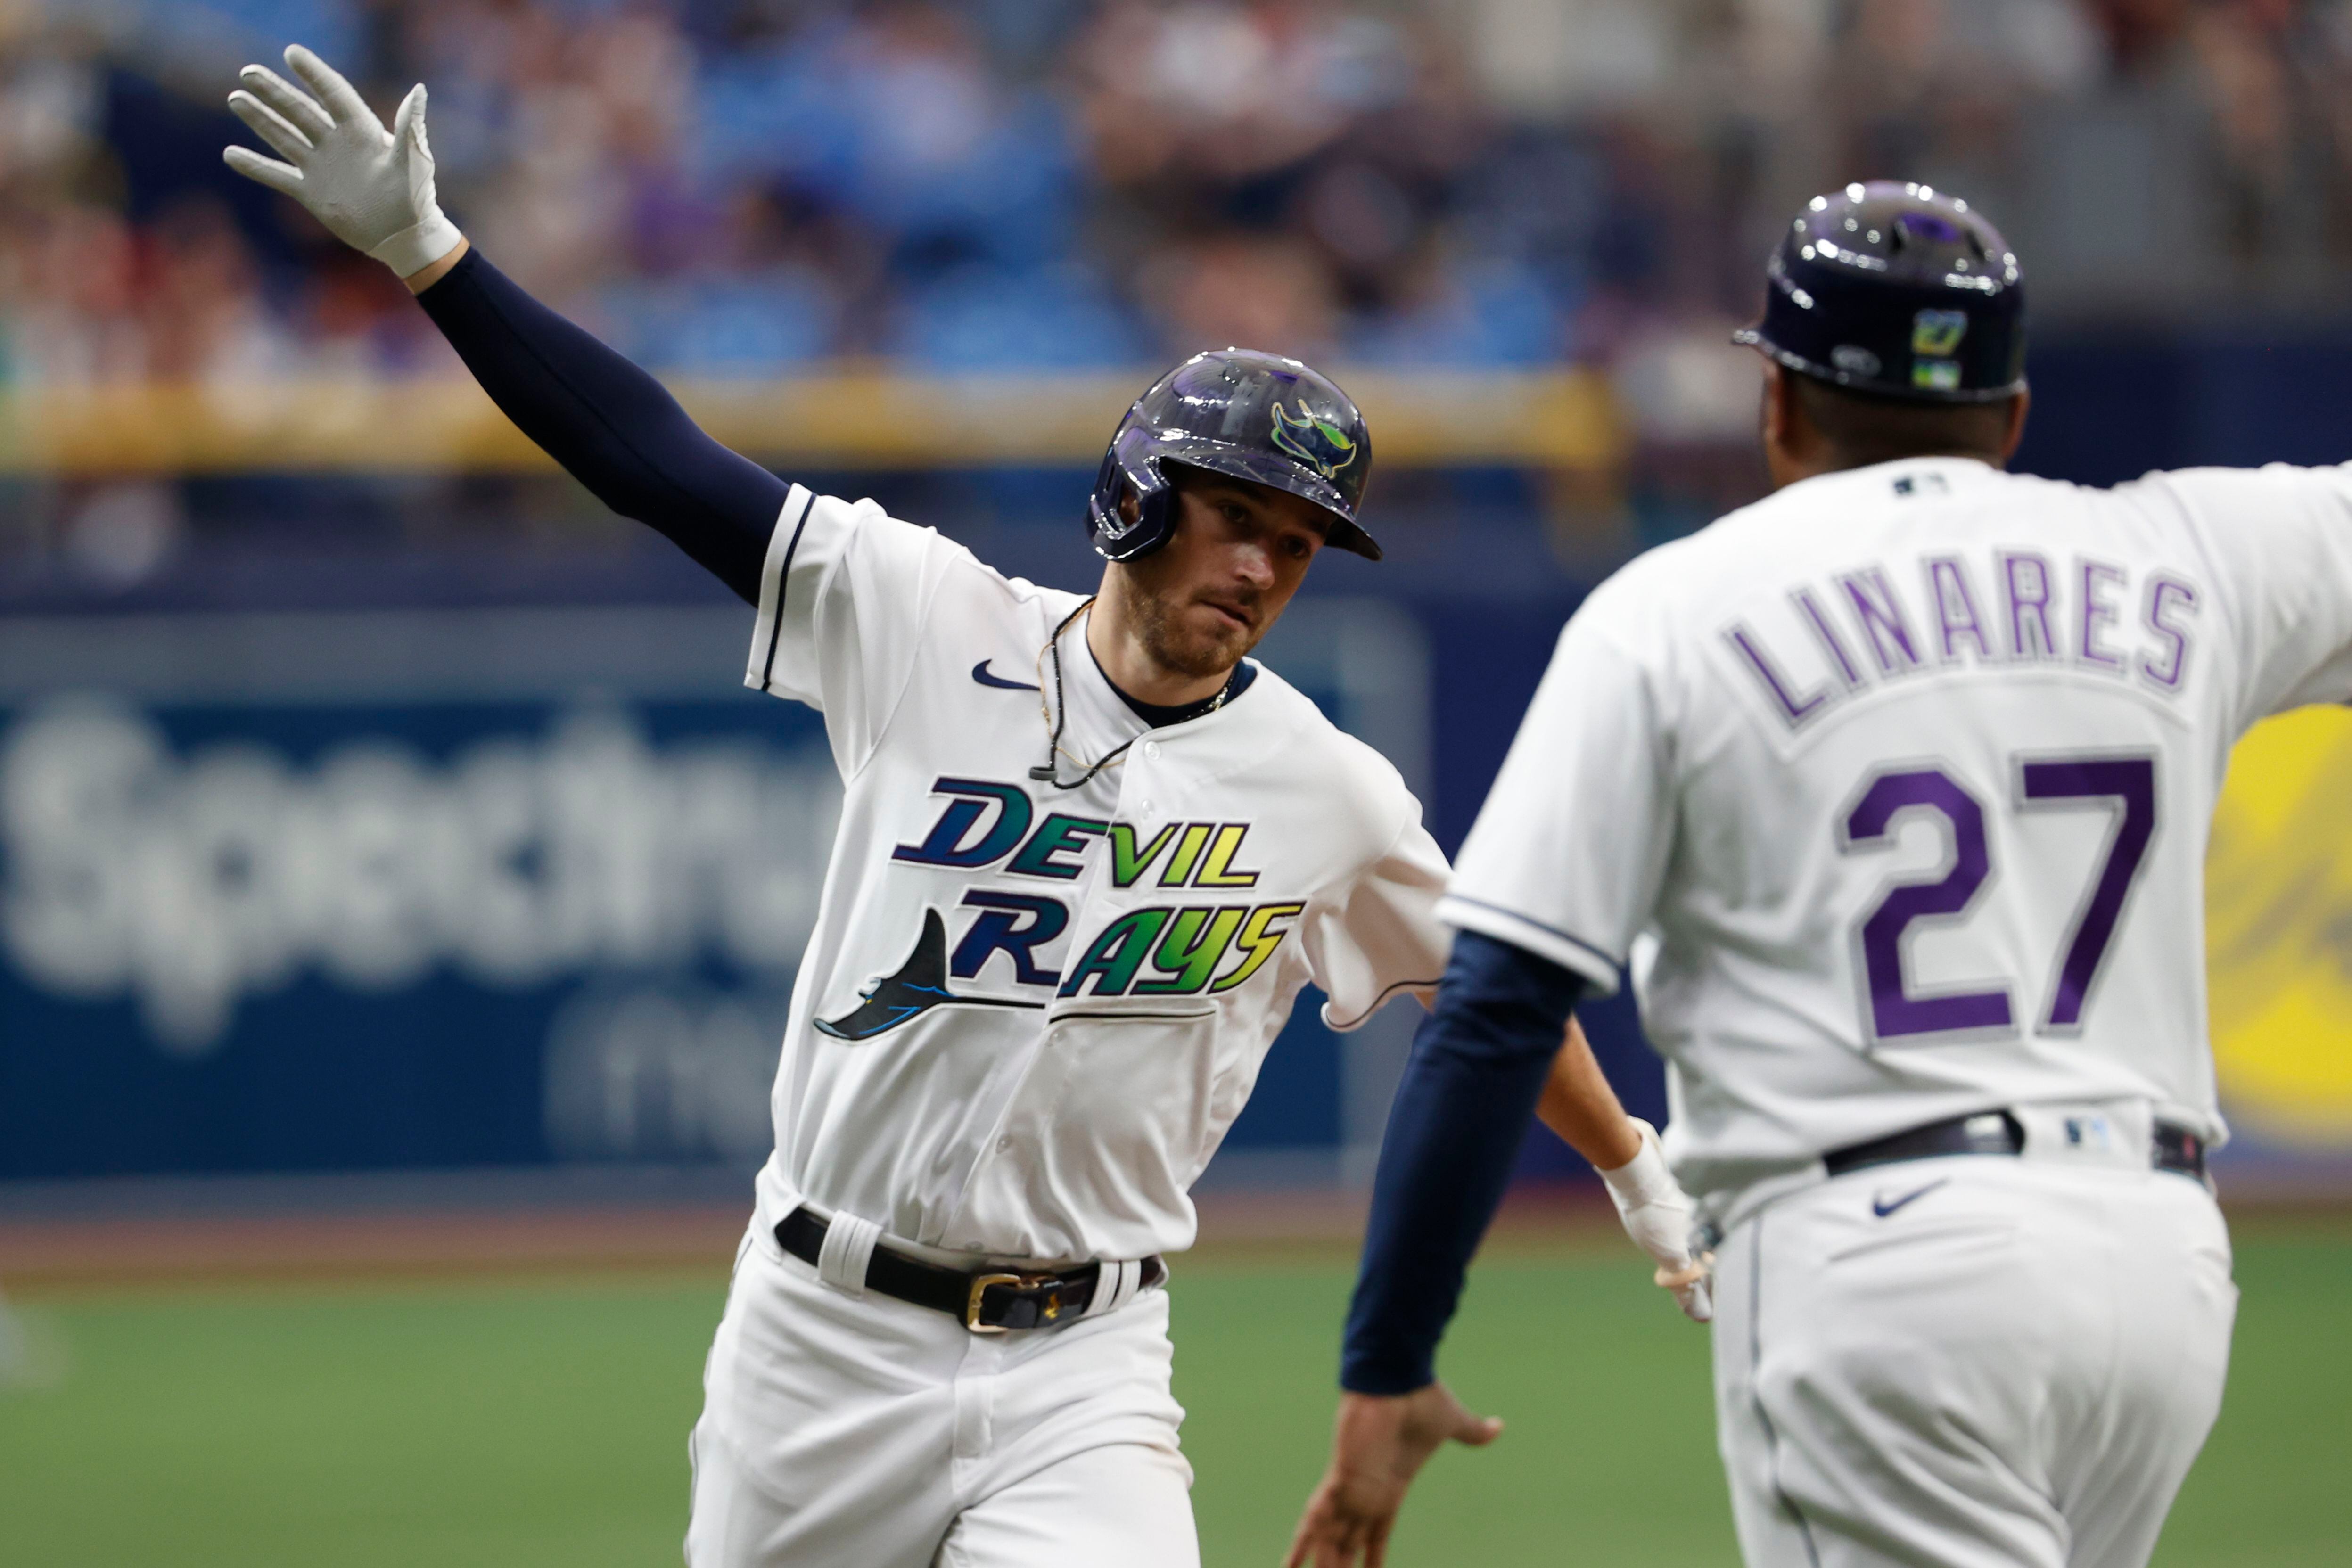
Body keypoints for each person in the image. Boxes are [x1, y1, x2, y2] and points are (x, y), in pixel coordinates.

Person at [219, 46, 1705, 1568]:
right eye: (1236, 518)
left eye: (1300, 545)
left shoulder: (1327, 788)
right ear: (1135, 499)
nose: (1262, 566)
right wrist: (431, 259)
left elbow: (1492, 995)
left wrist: (1638, 1170)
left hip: (1087, 1361)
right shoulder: (928, 619)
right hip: (821, 1335)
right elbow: (653, 465)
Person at [1291, 178, 2352, 1568]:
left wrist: (1389, 1357)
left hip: (1879, 1262)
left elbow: (1494, 1008)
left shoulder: (1674, 608)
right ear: (2013, 417)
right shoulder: (2192, 553)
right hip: (2158, 1265)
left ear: (1777, 407)